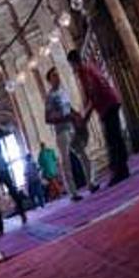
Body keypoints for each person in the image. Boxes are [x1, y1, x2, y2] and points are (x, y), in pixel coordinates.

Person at [68, 50, 130, 185]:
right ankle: (122, 168)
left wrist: (86, 117)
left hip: (107, 104)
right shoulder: (88, 68)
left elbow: (94, 93)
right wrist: (85, 113)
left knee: (112, 138)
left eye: (72, 65)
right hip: (109, 102)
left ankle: (120, 170)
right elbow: (89, 95)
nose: (72, 69)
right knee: (115, 136)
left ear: (74, 63)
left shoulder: (84, 72)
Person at [45, 66, 97, 200]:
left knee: (84, 156)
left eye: (58, 75)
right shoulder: (50, 97)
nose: (58, 77)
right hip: (62, 132)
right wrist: (65, 118)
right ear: (50, 80)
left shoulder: (63, 92)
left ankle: (91, 183)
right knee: (66, 162)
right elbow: (48, 118)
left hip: (72, 129)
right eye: (54, 76)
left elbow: (69, 108)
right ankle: (73, 193)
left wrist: (76, 115)